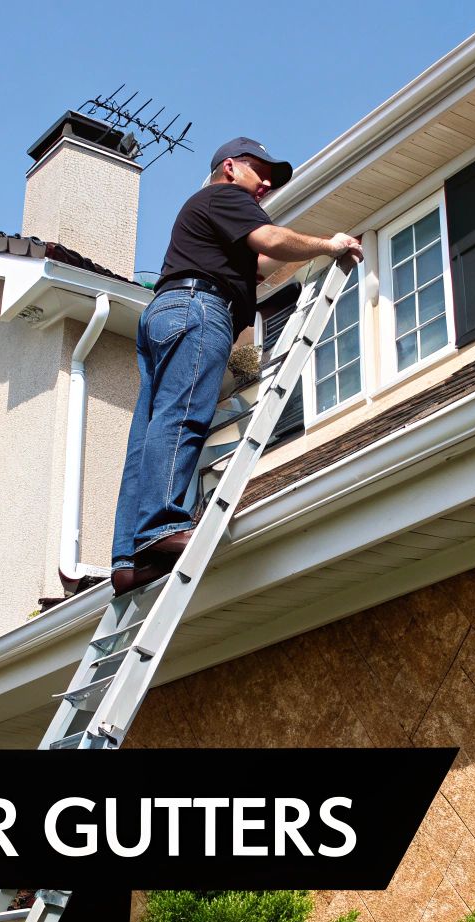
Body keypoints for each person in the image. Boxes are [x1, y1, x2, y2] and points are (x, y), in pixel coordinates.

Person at [110, 138, 363, 595]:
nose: (266, 182)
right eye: (259, 170)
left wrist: (304, 256)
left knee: (149, 433)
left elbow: (263, 260)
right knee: (183, 416)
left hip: (166, 311)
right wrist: (330, 244)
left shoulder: (210, 214)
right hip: (199, 309)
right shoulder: (227, 197)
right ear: (229, 167)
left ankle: (128, 559)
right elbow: (270, 239)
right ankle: (159, 529)